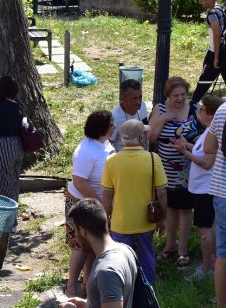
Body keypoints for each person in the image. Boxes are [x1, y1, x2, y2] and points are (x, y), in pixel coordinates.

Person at [102, 119, 168, 284]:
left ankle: (124, 288)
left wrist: (106, 218)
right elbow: (162, 193)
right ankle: (148, 290)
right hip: (146, 220)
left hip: (120, 222)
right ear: (141, 138)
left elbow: (107, 195)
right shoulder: (153, 159)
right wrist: (164, 218)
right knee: (147, 256)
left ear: (123, 140)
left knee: (121, 259)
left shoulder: (112, 161)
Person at [58, 198, 138, 308]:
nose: (76, 235)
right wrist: (87, 305)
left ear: (83, 231)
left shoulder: (107, 271)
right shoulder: (125, 250)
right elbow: (116, 304)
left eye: (76, 231)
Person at [148, 76, 199, 267]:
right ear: (168, 95)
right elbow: (150, 137)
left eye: (183, 95)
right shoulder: (160, 109)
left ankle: (183, 250)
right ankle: (169, 246)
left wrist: (188, 145)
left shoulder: (194, 108)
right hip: (165, 169)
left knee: (185, 209)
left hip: (188, 168)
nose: (180, 98)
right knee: (169, 207)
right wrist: (163, 119)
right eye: (176, 95)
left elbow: (205, 137)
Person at [171, 95, 224, 279]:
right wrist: (188, 145)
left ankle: (207, 268)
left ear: (209, 113)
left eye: (200, 109)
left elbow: (207, 163)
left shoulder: (214, 132)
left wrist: (185, 152)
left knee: (205, 229)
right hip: (200, 188)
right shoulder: (208, 130)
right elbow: (201, 151)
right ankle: (214, 264)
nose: (197, 111)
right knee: (208, 228)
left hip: (205, 189)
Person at [65, 110, 115, 296]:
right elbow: (79, 181)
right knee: (81, 246)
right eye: (111, 124)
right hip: (82, 203)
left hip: (98, 202)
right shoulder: (85, 151)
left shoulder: (103, 142)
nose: (114, 127)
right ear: (102, 128)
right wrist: (100, 202)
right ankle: (71, 286)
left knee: (94, 245)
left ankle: (87, 284)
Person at [0, 76, 25, 202]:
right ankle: (13, 214)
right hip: (18, 144)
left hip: (3, 146)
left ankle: (6, 218)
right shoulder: (18, 106)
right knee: (13, 181)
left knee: (3, 184)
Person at [203, 99, 226, 308]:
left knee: (223, 252)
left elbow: (208, 147)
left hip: (222, 191)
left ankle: (221, 306)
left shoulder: (223, 109)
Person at [191, 0, 226, 103]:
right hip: (224, 51)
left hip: (216, 52)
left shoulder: (212, 13)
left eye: (202, 0)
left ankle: (193, 106)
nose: (201, 3)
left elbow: (217, 35)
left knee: (204, 81)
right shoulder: (221, 8)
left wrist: (216, 57)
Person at [109, 78, 149, 152]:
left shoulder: (143, 105)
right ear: (122, 98)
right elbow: (108, 143)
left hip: (143, 157)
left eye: (140, 97)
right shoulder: (115, 117)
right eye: (134, 98)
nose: (138, 101)